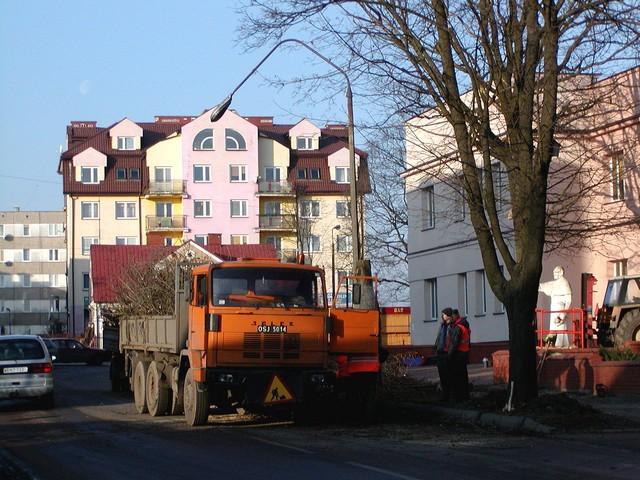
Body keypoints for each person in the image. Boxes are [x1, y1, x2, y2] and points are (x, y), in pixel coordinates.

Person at [538, 266, 573, 347]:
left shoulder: (565, 283)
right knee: (553, 326)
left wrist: (564, 313)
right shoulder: (555, 283)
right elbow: (545, 286)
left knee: (559, 325)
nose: (554, 274)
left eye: (556, 272)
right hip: (553, 308)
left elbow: (569, 300)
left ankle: (560, 343)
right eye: (554, 272)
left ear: (561, 273)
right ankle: (553, 342)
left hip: (560, 308)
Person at [449, 309, 470, 401]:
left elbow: (455, 343)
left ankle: (460, 397)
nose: (451, 318)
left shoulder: (458, 327)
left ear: (455, 316)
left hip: (459, 354)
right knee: (463, 376)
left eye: (452, 316)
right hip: (465, 352)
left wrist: (450, 354)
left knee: (458, 376)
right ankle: (465, 396)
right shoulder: (465, 325)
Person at [434, 307, 453, 401]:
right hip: (440, 352)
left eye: (444, 314)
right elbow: (439, 337)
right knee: (442, 375)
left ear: (448, 315)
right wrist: (435, 346)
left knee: (447, 375)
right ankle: (445, 394)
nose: (442, 316)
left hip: (446, 353)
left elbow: (451, 340)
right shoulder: (442, 325)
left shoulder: (451, 326)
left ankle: (449, 395)